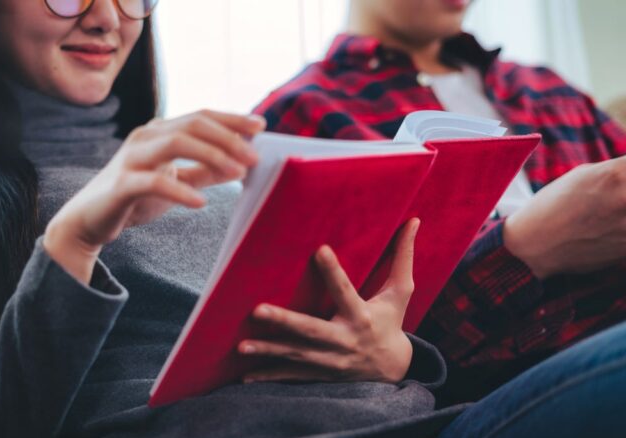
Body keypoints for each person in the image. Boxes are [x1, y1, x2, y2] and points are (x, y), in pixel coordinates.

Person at [0, 0, 625, 438]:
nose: (106, 15)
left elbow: (359, 346)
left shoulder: (218, 169)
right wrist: (75, 241)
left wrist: (393, 355)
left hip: (418, 426)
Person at [254, 0, 626, 403]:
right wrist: (526, 248)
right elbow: (352, 345)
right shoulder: (296, 115)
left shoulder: (546, 87)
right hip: (491, 391)